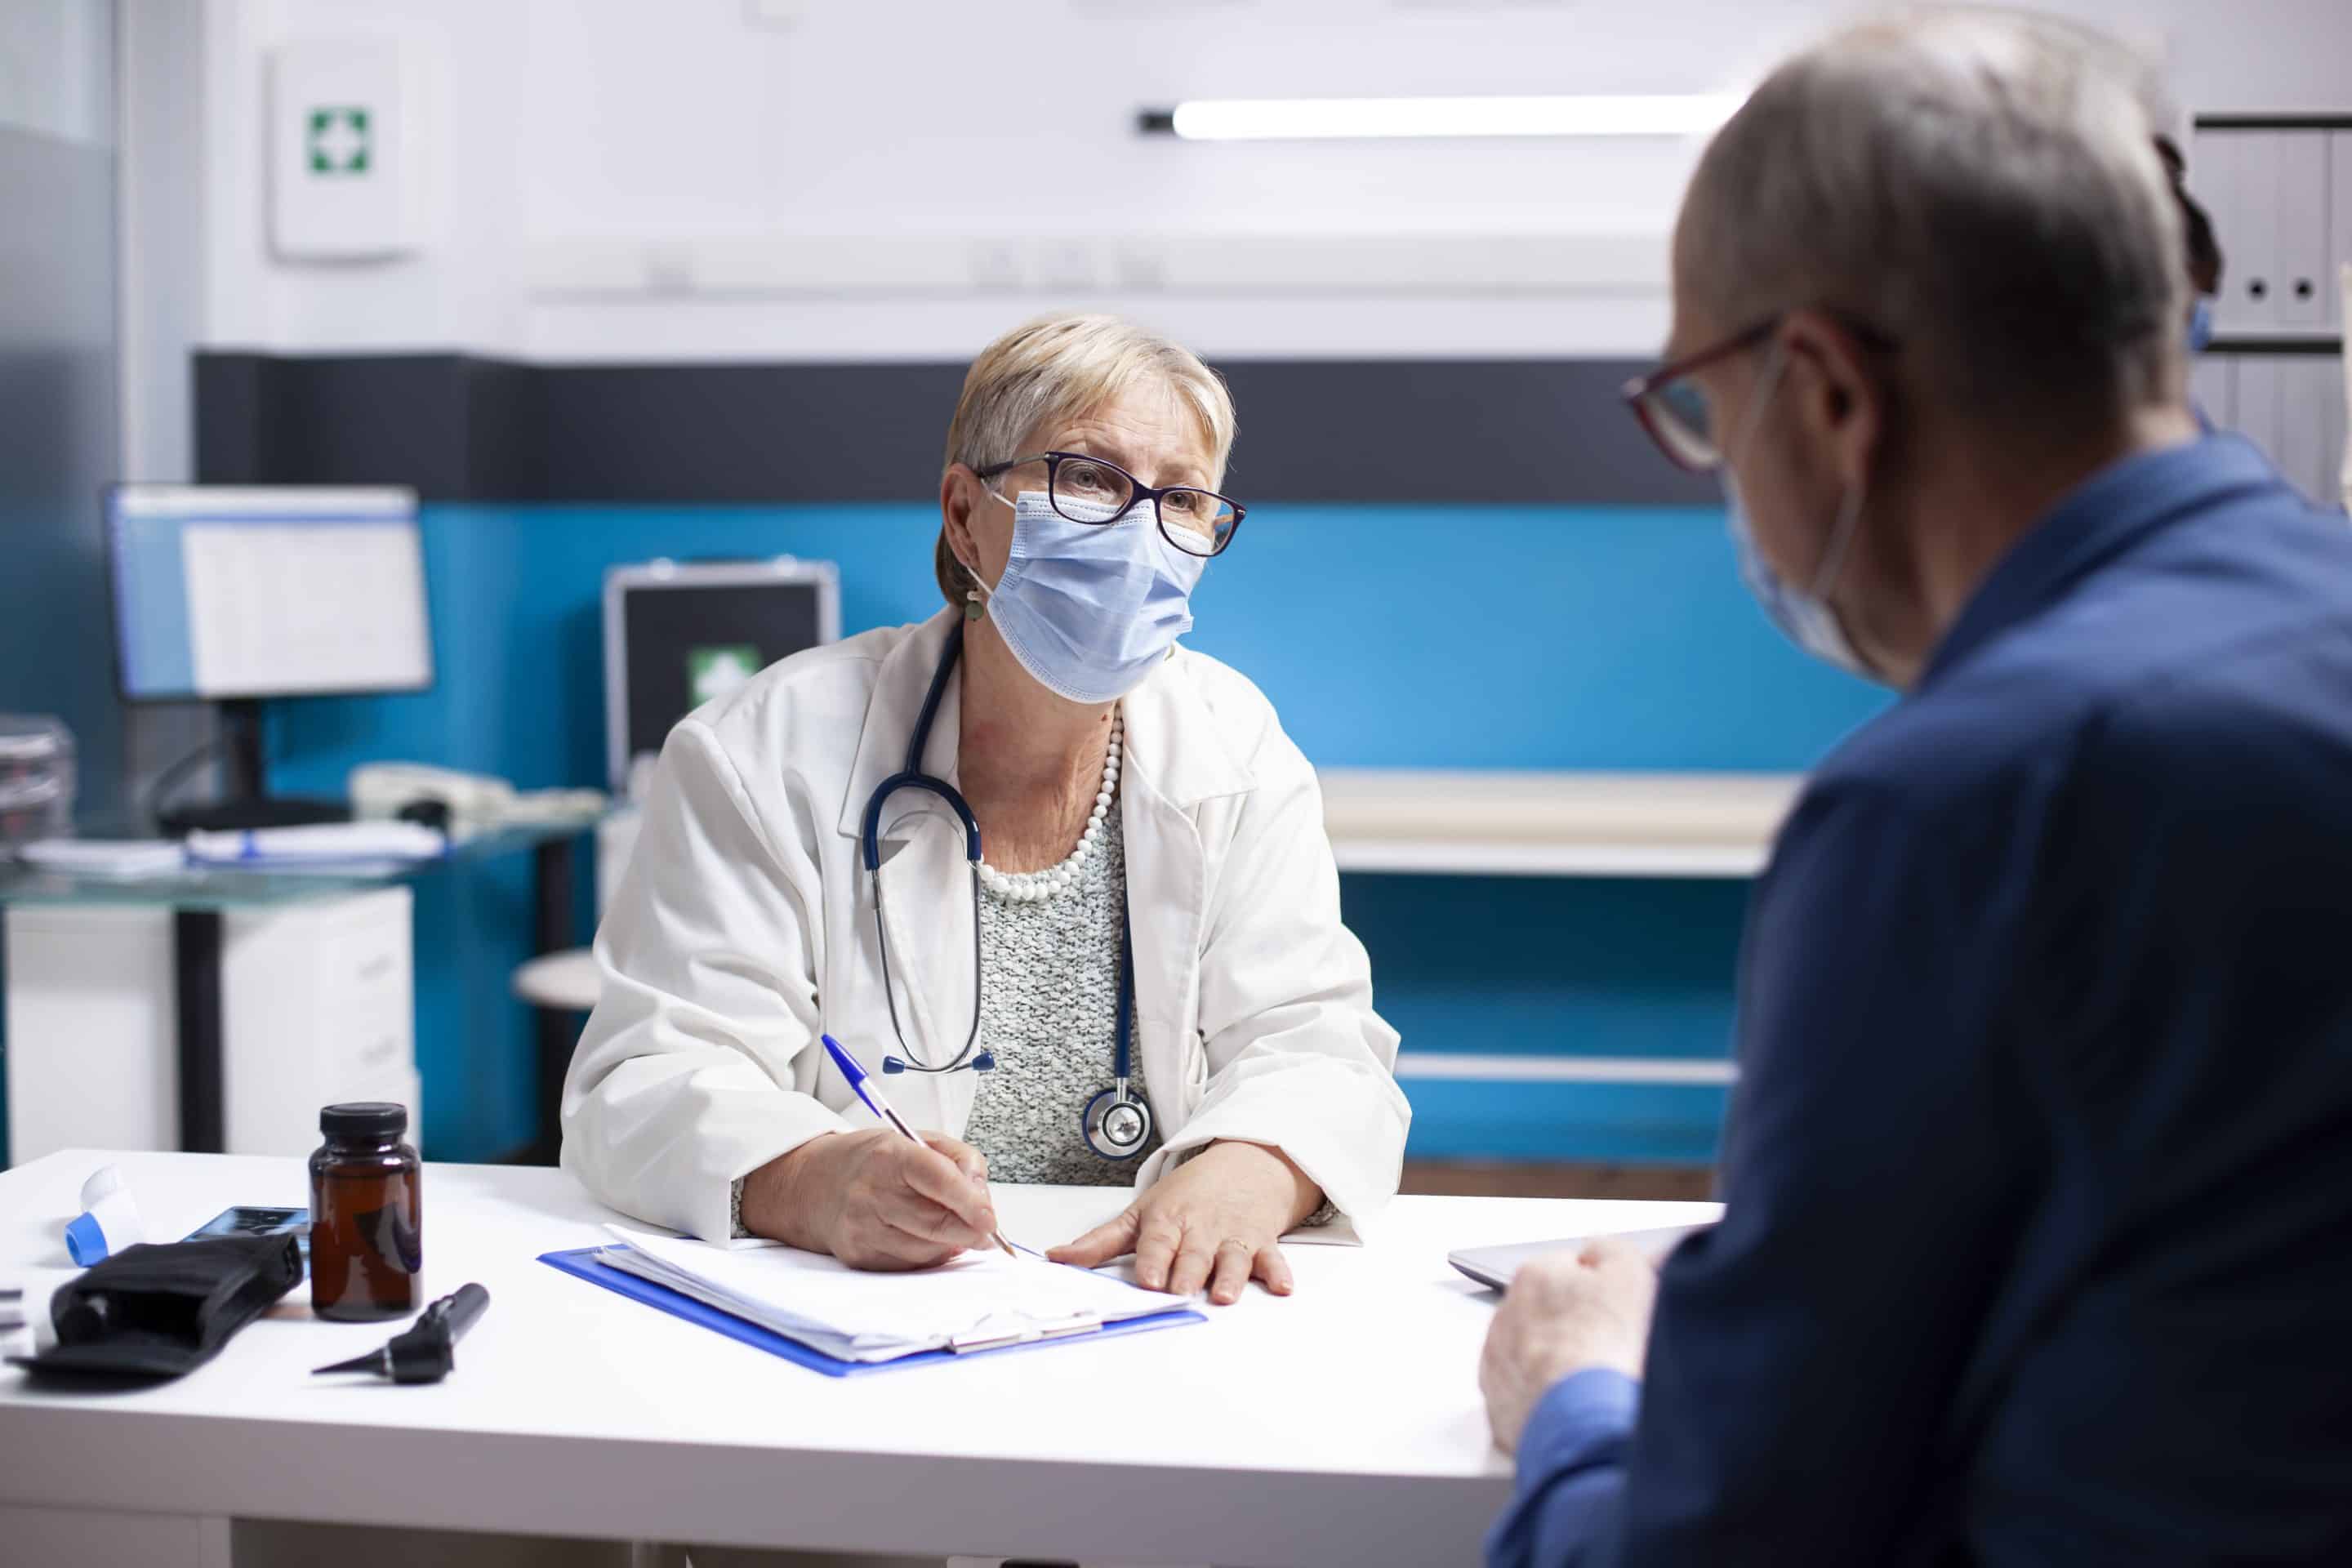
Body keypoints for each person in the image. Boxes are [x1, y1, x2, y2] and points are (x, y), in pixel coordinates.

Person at [1481, 12, 2352, 1564]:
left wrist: (1576, 1399)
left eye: (1700, 405)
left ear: (1821, 392)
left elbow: (1723, 1545)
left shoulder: (1973, 803)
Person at [564, 313, 1407, 1305]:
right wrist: (809, 1179)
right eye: (1087, 476)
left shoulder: (1234, 746)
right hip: (867, 1308)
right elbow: (650, 1075)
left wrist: (1256, 1165)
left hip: (1155, 1303)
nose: (1140, 534)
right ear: (966, 514)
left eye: (1183, 498)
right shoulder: (766, 749)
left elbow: (1318, 1044)